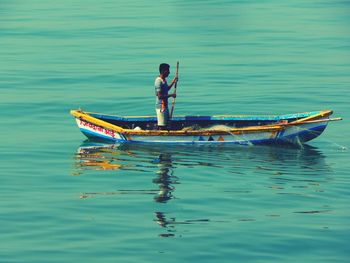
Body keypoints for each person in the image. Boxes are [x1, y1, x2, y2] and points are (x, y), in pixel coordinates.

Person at [155, 63, 178, 130]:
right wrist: (171, 95)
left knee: (166, 124)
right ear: (163, 71)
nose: (169, 72)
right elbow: (160, 96)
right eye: (168, 70)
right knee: (162, 126)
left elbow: (166, 89)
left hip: (165, 106)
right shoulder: (158, 81)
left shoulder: (164, 80)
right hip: (161, 108)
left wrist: (174, 81)